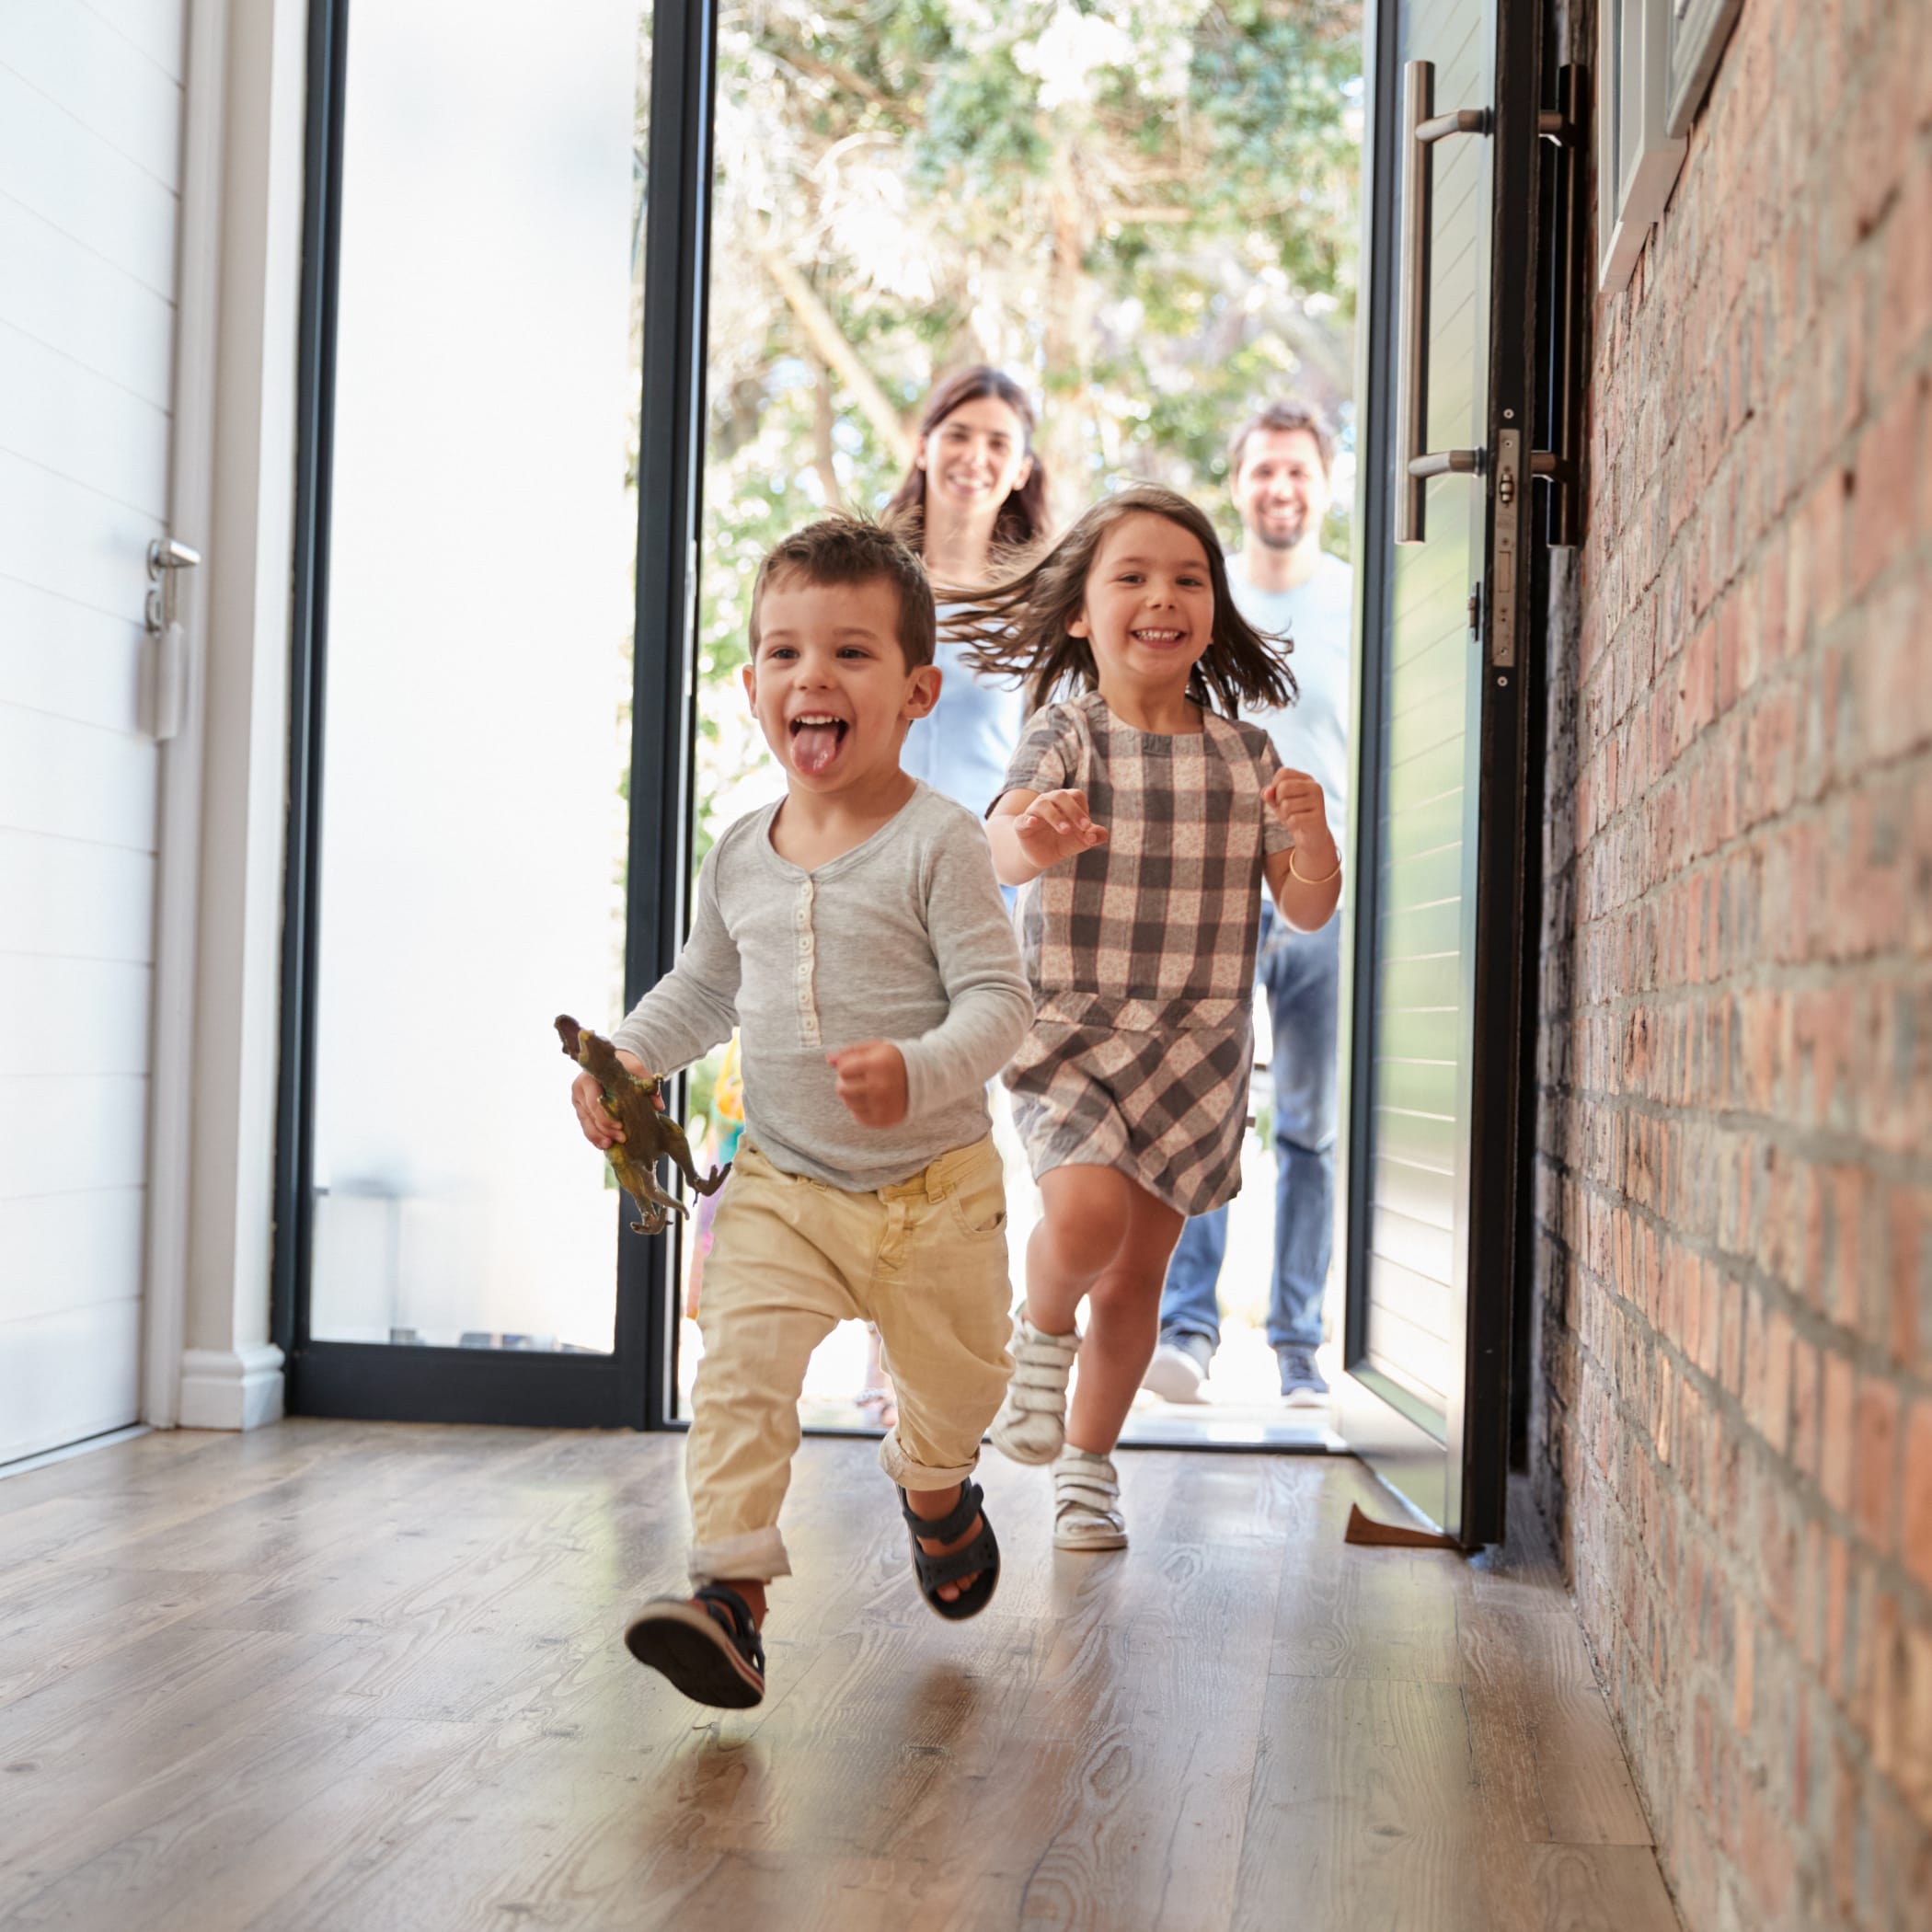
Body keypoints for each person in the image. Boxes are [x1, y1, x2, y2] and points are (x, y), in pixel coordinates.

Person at [569, 517, 1031, 1707]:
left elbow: (1001, 1002)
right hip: (782, 1182)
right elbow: (705, 987)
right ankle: (731, 1598)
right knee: (737, 1371)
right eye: (785, 653)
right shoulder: (740, 854)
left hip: (936, 1194)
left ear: (918, 692)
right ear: (751, 688)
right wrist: (627, 1060)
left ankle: (935, 1484)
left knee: (961, 1390)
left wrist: (920, 1069)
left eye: (850, 654)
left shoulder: (942, 844)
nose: (812, 677)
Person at [960, 485, 1343, 1551]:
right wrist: (1036, 834)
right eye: (1131, 577)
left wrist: (1314, 837)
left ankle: (1088, 1469)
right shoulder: (1065, 733)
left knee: (1137, 1280)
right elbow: (999, 849)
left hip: (1198, 1053)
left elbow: (1307, 908)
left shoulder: (1249, 757)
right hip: (1074, 1038)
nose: (1162, 596)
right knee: (1085, 1221)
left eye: (1187, 578)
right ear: (1082, 615)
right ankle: (1041, 1337)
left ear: (1214, 611)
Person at [1141, 401, 1354, 1409]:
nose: (1281, 487)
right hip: (1214, 892)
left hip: (1320, 893)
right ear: (1238, 483)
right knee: (1203, 1113)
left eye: (1298, 470)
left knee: (1310, 1124)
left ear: (1326, 483)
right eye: (1264, 469)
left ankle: (1299, 1347)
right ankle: (1187, 1333)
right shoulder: (1204, 603)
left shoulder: (1359, 602)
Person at [886, 364, 1052, 816]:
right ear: (923, 448)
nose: (976, 457)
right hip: (871, 849)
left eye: (998, 444)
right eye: (958, 435)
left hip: (986, 852)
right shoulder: (868, 585)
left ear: (1022, 471)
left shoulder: (1039, 609)